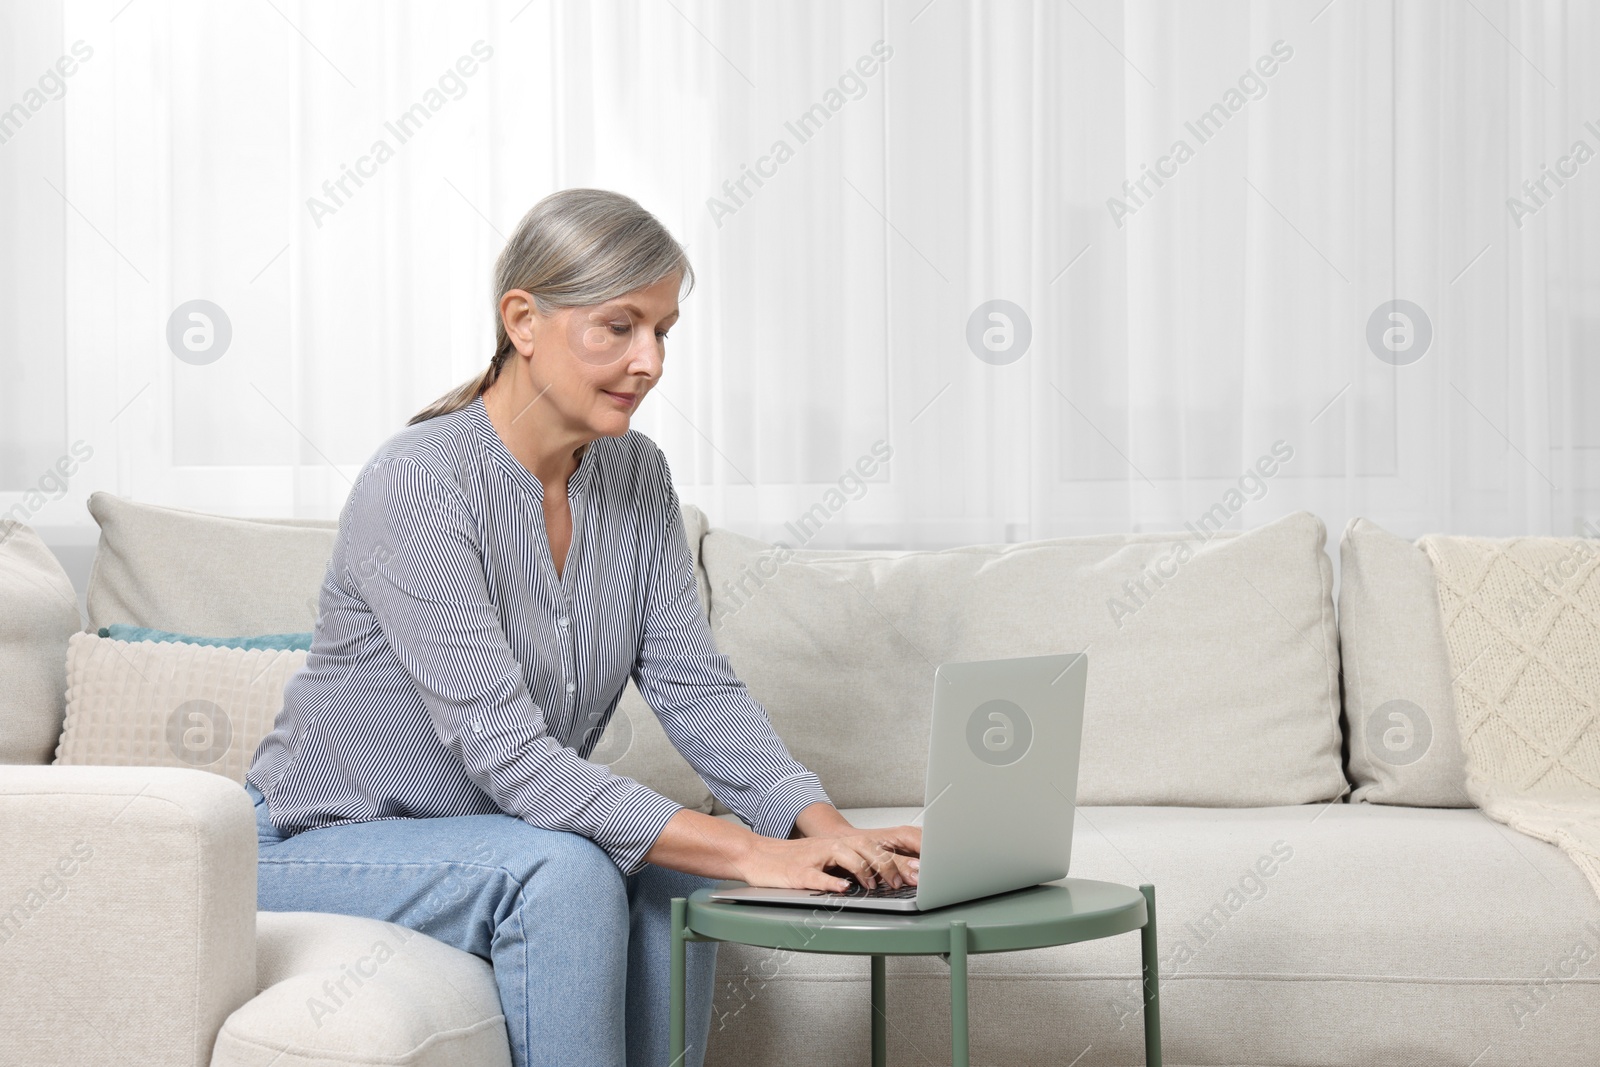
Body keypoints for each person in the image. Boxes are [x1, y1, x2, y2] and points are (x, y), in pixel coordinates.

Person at [244, 188, 921, 1067]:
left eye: (664, 331)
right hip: (311, 843)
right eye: (620, 326)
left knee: (676, 879)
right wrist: (751, 852)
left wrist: (819, 830)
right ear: (522, 319)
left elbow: (694, 687)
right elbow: (511, 756)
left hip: (495, 828)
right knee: (564, 873)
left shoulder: (636, 474)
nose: (650, 361)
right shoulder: (417, 485)